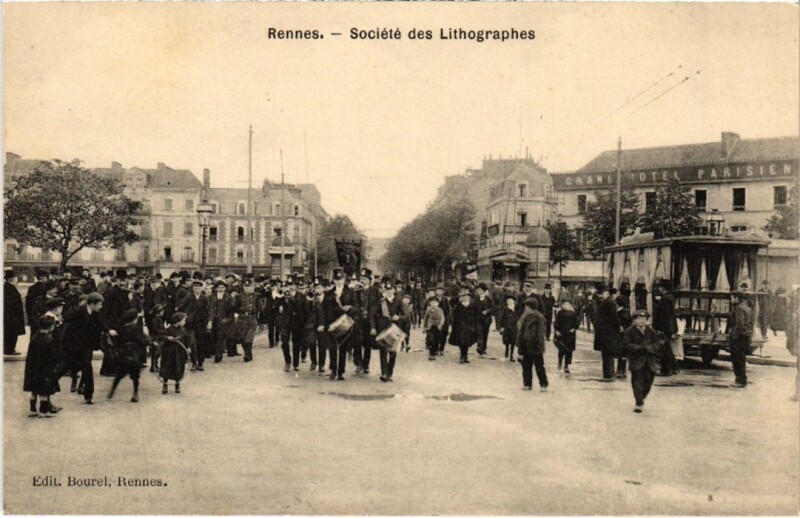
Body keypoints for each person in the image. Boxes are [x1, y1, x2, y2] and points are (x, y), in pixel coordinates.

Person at [63, 292, 115, 404]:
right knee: (67, 366)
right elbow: (65, 320)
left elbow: (101, 323)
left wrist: (109, 330)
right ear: (92, 304)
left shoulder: (95, 312)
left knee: (87, 368)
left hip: (87, 345)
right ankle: (47, 390)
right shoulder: (78, 311)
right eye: (99, 304)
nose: (101, 307)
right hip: (75, 345)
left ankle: (88, 395)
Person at [622, 309, 662, 413]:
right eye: (639, 318)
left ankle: (641, 397)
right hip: (636, 361)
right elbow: (626, 345)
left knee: (649, 381)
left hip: (649, 361)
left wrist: (650, 348)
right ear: (634, 320)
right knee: (637, 382)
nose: (641, 321)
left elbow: (657, 344)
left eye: (644, 318)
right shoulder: (629, 331)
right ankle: (639, 403)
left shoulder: (651, 331)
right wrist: (640, 348)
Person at [23, 316, 62, 417]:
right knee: (44, 391)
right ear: (51, 326)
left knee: (33, 390)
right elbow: (54, 356)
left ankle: (32, 409)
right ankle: (43, 411)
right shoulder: (50, 340)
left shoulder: (34, 338)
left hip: (33, 368)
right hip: (45, 369)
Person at [108, 309, 147, 403]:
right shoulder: (136, 330)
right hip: (134, 356)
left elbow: (116, 341)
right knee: (135, 377)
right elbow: (141, 341)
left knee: (119, 375)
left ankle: (112, 390)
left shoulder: (121, 329)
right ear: (134, 320)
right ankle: (135, 393)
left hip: (123, 355)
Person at [370, 279, 406, 382]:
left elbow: (406, 316)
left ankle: (390, 373)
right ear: (384, 291)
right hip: (383, 329)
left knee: (393, 351)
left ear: (394, 290)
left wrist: (398, 317)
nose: (389, 292)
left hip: (394, 329)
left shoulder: (399, 301)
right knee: (383, 351)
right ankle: (384, 373)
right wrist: (373, 327)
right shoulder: (381, 302)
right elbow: (372, 315)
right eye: (387, 290)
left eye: (391, 290)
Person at [516, 297, 548, 392]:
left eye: (527, 306)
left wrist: (538, 345)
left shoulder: (539, 317)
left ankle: (543, 384)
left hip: (536, 346)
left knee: (539, 366)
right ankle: (527, 384)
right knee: (526, 366)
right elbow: (521, 331)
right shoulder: (526, 316)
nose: (526, 308)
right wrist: (519, 343)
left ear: (531, 307)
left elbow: (540, 333)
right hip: (526, 345)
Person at [176, 280, 209, 372]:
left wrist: (207, 321)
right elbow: (181, 307)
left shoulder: (204, 298)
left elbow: (208, 310)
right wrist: (184, 317)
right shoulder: (189, 297)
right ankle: (194, 363)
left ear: (201, 289)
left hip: (201, 324)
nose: (197, 290)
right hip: (190, 324)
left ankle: (201, 363)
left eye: (198, 288)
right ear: (193, 289)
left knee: (201, 343)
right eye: (195, 288)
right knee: (192, 343)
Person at [594, 284, 622, 381]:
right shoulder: (606, 302)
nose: (600, 296)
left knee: (608, 354)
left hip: (608, 333)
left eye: (602, 293)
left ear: (607, 293)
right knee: (606, 353)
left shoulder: (610, 303)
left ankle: (609, 375)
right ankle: (607, 375)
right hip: (605, 333)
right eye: (599, 294)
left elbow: (615, 318)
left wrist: (616, 329)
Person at [652, 282, 679, 376]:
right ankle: (672, 369)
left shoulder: (665, 299)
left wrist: (659, 328)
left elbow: (664, 315)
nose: (659, 289)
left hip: (665, 327)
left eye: (660, 287)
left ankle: (667, 370)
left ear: (663, 288)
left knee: (664, 349)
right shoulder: (671, 297)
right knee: (667, 348)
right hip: (669, 327)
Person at [728, 291, 752, 388]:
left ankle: (739, 380)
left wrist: (734, 336)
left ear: (737, 298)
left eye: (732, 298)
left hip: (739, 338)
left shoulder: (739, 308)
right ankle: (742, 379)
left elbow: (739, 324)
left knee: (737, 359)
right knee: (741, 359)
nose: (731, 300)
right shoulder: (746, 307)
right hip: (745, 336)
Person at [161, 312, 189, 394]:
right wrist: (167, 338)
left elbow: (187, 339)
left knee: (178, 368)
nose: (185, 322)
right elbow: (161, 336)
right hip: (169, 352)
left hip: (179, 352)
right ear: (177, 321)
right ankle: (165, 385)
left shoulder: (183, 330)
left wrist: (188, 347)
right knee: (167, 368)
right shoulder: (168, 329)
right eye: (183, 320)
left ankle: (177, 385)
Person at [233, 278, 259, 363]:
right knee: (242, 338)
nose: (247, 288)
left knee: (249, 337)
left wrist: (259, 320)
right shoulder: (239, 296)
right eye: (245, 286)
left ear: (252, 287)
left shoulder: (256, 296)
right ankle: (248, 353)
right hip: (242, 318)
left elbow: (260, 308)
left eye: (249, 286)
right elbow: (235, 308)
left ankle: (247, 355)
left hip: (252, 318)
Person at [449, 288, 478, 364]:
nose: (465, 297)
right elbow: (454, 316)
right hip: (460, 326)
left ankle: (465, 355)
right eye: (463, 296)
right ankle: (462, 355)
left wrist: (475, 326)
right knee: (461, 341)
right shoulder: (458, 306)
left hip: (470, 326)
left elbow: (475, 316)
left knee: (467, 342)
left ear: (469, 297)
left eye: (466, 296)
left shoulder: (473, 306)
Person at [554, 300, 579, 374]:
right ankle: (560, 362)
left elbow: (577, 322)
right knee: (561, 349)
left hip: (570, 335)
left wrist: (574, 328)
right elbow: (556, 322)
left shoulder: (573, 313)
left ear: (570, 305)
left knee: (569, 350)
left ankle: (566, 365)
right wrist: (556, 330)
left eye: (567, 304)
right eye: (564, 304)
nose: (566, 306)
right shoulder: (559, 313)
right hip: (561, 334)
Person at [4, 269, 25, 355]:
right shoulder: (10, 288)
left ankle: (9, 349)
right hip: (12, 316)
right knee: (12, 334)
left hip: (10, 316)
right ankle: (10, 349)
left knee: (10, 333)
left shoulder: (7, 287)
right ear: (11, 279)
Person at [423, 292, 445, 361]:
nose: (434, 304)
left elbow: (442, 318)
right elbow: (425, 318)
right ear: (430, 303)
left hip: (437, 327)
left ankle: (435, 350)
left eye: (435, 303)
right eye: (432, 303)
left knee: (437, 340)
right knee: (431, 339)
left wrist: (440, 324)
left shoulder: (440, 310)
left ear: (438, 304)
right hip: (430, 327)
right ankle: (431, 354)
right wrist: (424, 327)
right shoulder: (428, 309)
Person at [497, 294, 519, 362]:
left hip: (514, 328)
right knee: (507, 341)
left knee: (513, 342)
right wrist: (501, 327)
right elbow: (502, 319)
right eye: (508, 301)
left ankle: (511, 355)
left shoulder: (517, 310)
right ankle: (506, 351)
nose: (509, 302)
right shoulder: (505, 310)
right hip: (507, 328)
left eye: (511, 301)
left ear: (514, 302)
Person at [474, 283, 494, 356]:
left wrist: (487, 311)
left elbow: (493, 308)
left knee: (485, 334)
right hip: (478, 319)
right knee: (479, 333)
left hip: (486, 320)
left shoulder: (489, 299)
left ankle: (484, 348)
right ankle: (479, 347)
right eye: (477, 289)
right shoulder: (476, 299)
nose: (478, 291)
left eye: (479, 289)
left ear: (483, 290)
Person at [434, 285, 451, 355]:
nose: (439, 292)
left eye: (441, 291)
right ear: (435, 291)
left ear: (443, 292)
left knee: (444, 334)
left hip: (445, 319)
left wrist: (447, 319)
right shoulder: (433, 299)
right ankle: (435, 349)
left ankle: (441, 348)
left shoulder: (445, 299)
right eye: (438, 291)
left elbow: (448, 309)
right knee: (436, 334)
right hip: (436, 319)